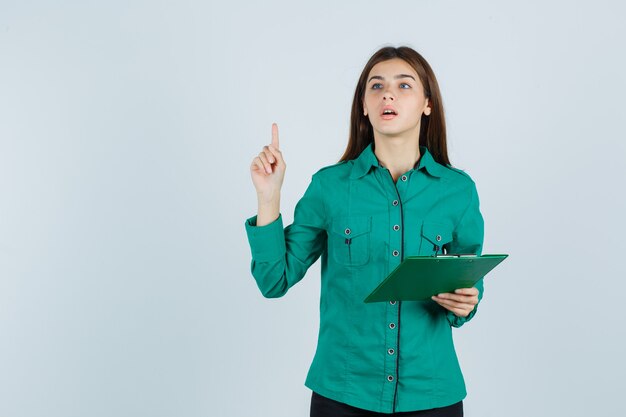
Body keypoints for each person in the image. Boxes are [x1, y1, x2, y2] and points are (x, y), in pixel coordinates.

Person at [244, 45, 484, 417]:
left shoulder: (457, 191)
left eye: (404, 86)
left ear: (427, 103)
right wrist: (268, 198)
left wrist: (467, 301)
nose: (388, 93)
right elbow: (273, 280)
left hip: (431, 394)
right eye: (376, 86)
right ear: (363, 105)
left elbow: (468, 278)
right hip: (343, 394)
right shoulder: (330, 187)